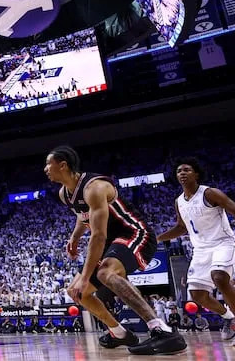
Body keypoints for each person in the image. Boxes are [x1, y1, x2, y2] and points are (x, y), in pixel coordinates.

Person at [45, 147, 186, 355]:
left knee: (105, 273)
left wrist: (85, 276)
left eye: (48, 164)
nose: (45, 169)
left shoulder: (95, 187)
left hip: (134, 233)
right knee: (78, 293)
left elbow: (98, 236)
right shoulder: (65, 194)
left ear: (63, 165)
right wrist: (74, 237)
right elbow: (83, 216)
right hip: (112, 241)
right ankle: (118, 332)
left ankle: (162, 330)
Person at [156, 157, 235, 347]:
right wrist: (157, 238)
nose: (182, 173)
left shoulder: (210, 193)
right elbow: (182, 227)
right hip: (201, 249)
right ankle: (230, 318)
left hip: (223, 243)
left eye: (186, 170)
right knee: (197, 295)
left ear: (196, 174)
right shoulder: (179, 201)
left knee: (219, 277)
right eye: (179, 171)